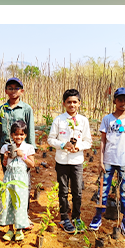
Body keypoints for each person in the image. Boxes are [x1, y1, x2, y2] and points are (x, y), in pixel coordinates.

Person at [88, 87, 125, 237]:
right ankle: (98, 216)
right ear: (114, 101)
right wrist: (101, 161)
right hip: (109, 160)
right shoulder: (107, 119)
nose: (122, 103)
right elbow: (103, 141)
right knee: (103, 189)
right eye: (120, 100)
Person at [47, 88, 92, 233]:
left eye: (74, 102)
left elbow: (88, 142)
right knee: (63, 190)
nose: (72, 105)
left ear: (79, 103)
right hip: (62, 160)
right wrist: (62, 145)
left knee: (77, 191)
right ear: (64, 104)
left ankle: (76, 217)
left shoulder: (83, 121)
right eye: (69, 102)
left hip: (77, 161)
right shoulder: (58, 120)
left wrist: (78, 147)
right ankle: (65, 217)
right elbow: (50, 139)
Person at [0, 120, 35, 241]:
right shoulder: (5, 147)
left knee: (20, 202)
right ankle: (10, 229)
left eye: (21, 134)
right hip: (9, 178)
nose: (18, 137)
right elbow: (4, 164)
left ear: (25, 135)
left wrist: (22, 155)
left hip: (21, 179)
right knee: (8, 202)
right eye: (16, 134)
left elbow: (32, 165)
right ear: (12, 135)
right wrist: (4, 157)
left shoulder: (28, 147)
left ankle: (19, 229)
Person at [0, 77, 36, 170]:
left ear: (21, 91)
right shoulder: (2, 109)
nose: (13, 91)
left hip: (22, 150)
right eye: (10, 88)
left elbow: (30, 131)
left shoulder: (26, 109)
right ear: (6, 91)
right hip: (6, 150)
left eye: (16, 88)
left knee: (22, 178)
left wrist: (30, 153)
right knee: (8, 177)